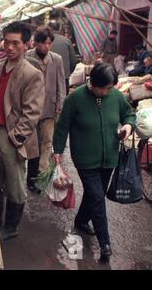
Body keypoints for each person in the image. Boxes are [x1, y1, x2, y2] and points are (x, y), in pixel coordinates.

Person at [53, 62, 136, 262]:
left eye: (111, 88)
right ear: (94, 84)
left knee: (93, 195)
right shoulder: (75, 98)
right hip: (85, 158)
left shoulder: (115, 96)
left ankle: (82, 220)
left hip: (110, 158)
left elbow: (129, 114)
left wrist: (127, 126)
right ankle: (105, 243)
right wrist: (57, 151)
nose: (109, 92)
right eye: (105, 88)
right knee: (98, 197)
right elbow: (63, 125)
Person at [0, 22, 45, 241]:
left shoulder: (31, 74)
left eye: (16, 43)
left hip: (10, 135)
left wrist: (16, 138)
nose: (10, 47)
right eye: (7, 42)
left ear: (26, 45)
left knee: (14, 183)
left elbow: (33, 112)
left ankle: (11, 227)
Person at [25, 27, 66, 194]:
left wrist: (60, 104)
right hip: (30, 109)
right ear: (37, 43)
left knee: (47, 142)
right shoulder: (27, 57)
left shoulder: (56, 59)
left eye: (49, 43)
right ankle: (30, 177)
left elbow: (61, 84)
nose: (47, 46)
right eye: (44, 43)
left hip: (50, 107)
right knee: (31, 145)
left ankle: (41, 175)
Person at [49, 22, 77, 94]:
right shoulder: (67, 41)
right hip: (64, 76)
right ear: (60, 29)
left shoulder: (45, 42)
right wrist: (68, 73)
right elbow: (73, 61)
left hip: (49, 77)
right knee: (63, 100)